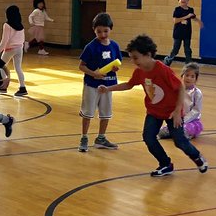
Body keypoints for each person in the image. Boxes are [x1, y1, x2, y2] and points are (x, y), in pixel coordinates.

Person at [108, 34, 208, 177]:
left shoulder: (162, 69)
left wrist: (177, 111)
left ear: (148, 54)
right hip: (154, 111)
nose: (133, 61)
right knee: (148, 137)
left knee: (180, 142)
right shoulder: (139, 71)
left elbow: (180, 87)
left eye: (135, 57)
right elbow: (129, 84)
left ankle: (197, 157)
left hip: (171, 112)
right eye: (131, 57)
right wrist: (108, 89)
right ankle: (165, 164)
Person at [78, 13, 120, 152]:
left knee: (106, 113)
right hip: (92, 85)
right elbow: (81, 66)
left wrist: (116, 68)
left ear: (111, 29)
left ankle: (101, 138)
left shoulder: (114, 46)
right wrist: (93, 73)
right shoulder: (90, 47)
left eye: (105, 31)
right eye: (99, 31)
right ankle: (84, 137)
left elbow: (117, 65)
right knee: (88, 112)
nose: (102, 34)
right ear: (94, 30)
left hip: (108, 86)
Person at [160, 62, 204, 140]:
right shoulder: (177, 90)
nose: (189, 78)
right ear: (182, 76)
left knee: (184, 130)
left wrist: (184, 120)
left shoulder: (197, 93)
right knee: (162, 132)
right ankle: (173, 132)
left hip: (191, 121)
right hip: (177, 118)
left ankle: (185, 133)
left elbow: (196, 111)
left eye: (192, 76)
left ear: (196, 79)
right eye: (186, 75)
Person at [164, 0, 203, 66]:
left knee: (187, 49)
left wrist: (199, 22)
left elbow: (193, 17)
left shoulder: (190, 10)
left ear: (188, 0)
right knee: (175, 49)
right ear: (179, 1)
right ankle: (168, 61)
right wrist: (186, 17)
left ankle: (188, 63)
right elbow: (175, 21)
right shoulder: (177, 9)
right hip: (178, 33)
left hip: (187, 33)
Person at [0, 4, 28, 97]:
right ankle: (23, 87)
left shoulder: (7, 25)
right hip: (19, 48)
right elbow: (22, 38)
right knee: (18, 68)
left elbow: (4, 40)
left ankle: (3, 86)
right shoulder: (21, 26)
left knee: (1, 66)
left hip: (10, 49)